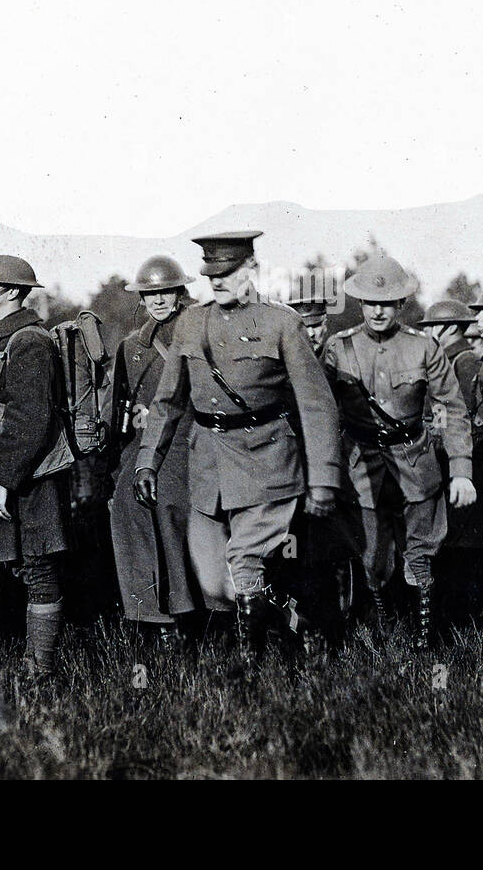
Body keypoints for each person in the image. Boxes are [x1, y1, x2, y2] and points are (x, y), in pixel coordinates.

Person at [134, 231, 340, 674]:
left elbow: (316, 404)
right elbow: (168, 400)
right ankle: (297, 620)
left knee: (243, 562)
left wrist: (323, 478)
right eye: (211, 274)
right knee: (215, 584)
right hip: (209, 462)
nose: (218, 282)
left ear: (251, 270)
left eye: (227, 273)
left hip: (267, 460)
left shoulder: (281, 323)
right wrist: (148, 458)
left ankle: (250, 671)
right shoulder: (192, 324)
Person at [322, 261, 476, 647]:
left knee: (421, 553)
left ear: (402, 303)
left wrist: (461, 470)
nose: (378, 311)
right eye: (370, 302)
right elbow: (318, 409)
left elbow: (454, 408)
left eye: (388, 303)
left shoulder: (423, 347)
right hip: (360, 465)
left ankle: (423, 641)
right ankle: (382, 630)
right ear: (359, 303)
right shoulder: (338, 349)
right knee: (371, 558)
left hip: (415, 461)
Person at [0, 255, 70, 679]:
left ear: (10, 291)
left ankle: (39, 667)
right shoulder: (3, 339)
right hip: (7, 466)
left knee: (39, 564)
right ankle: (23, 657)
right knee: (17, 560)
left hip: (29, 473)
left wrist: (3, 480)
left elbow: (31, 417)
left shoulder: (28, 341)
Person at [106, 255, 202, 642]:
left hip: (192, 439)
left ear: (180, 293)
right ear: (140, 299)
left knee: (171, 509)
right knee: (129, 508)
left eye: (166, 291)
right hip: (146, 445)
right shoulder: (132, 347)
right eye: (150, 294)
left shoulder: (198, 333)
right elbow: (119, 408)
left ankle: (186, 614)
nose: (159, 300)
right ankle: (149, 615)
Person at [416, 298, 483, 622]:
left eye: (433, 327)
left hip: (469, 461)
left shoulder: (463, 362)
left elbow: (461, 418)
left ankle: (473, 620)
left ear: (450, 328)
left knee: (464, 542)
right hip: (454, 458)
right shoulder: (448, 360)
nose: (430, 334)